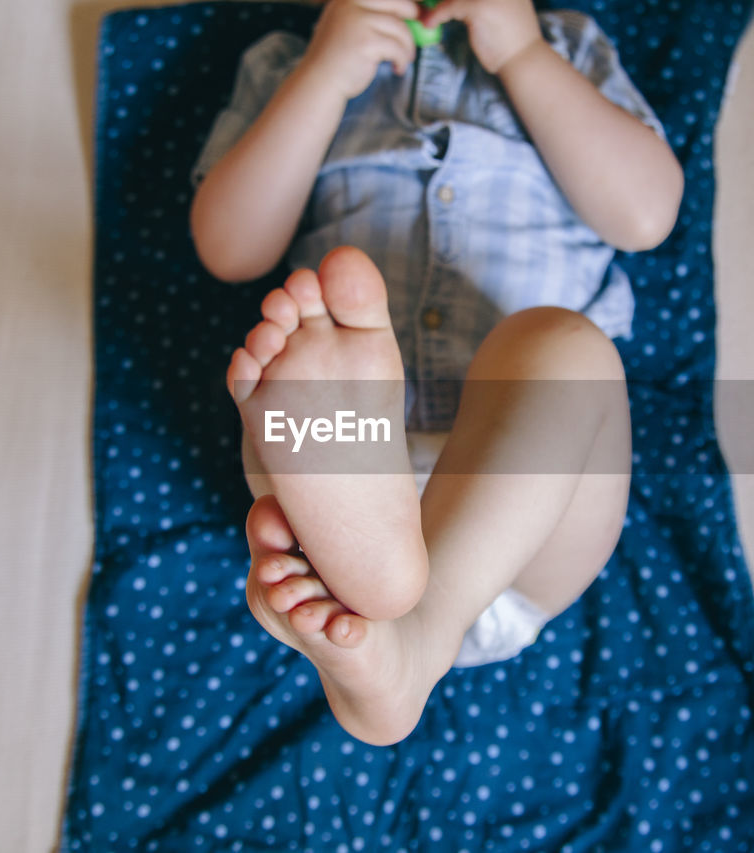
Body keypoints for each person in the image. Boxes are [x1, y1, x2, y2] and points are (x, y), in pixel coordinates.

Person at [188, 0, 683, 745]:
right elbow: (230, 246)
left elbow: (645, 214)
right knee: (287, 369)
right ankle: (389, 605)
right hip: (344, 479)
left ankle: (420, 627)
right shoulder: (290, 59)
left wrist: (522, 55)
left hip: (522, 527)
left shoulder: (567, 47)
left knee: (563, 349)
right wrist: (324, 72)